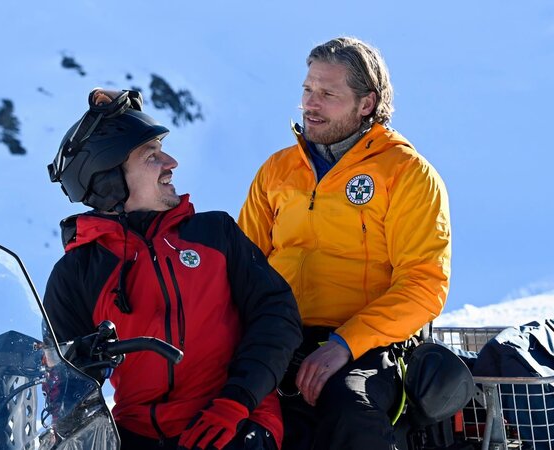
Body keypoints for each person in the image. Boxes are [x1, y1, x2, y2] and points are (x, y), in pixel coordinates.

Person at [43, 89, 301, 450]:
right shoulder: (78, 272)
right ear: (109, 182)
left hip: (237, 416)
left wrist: (236, 401)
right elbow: (66, 383)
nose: (171, 162)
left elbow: (278, 315)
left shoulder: (215, 234)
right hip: (136, 430)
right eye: (152, 155)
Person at [238, 37, 452, 449]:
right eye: (307, 90)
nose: (310, 104)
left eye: (327, 94)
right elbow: (242, 267)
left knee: (349, 410)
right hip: (276, 336)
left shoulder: (406, 173)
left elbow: (424, 285)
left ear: (366, 104)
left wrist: (344, 344)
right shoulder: (277, 170)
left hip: (368, 345)